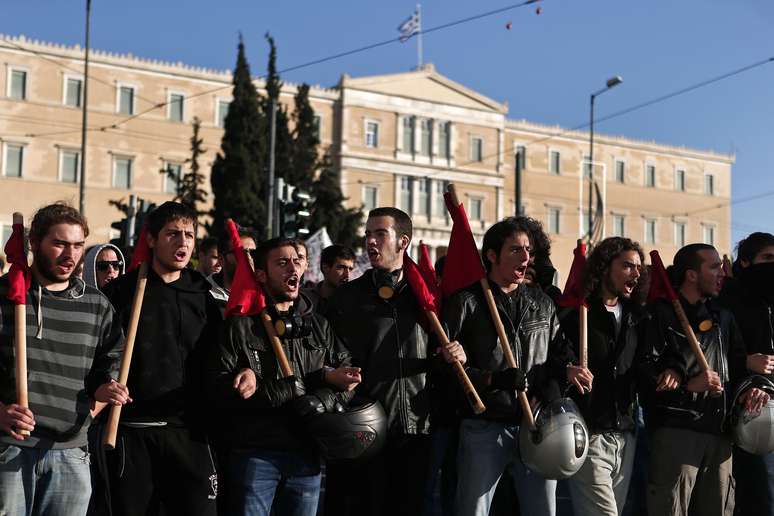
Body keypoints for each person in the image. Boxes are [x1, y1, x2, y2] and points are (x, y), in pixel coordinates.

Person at [209, 237, 360, 515]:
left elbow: (348, 376)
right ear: (261, 275)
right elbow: (217, 388)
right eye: (282, 263)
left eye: (297, 261)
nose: (293, 268)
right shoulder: (240, 326)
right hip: (256, 455)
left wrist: (322, 401)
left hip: (307, 456)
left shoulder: (319, 325)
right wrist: (267, 388)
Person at [0, 202, 128, 516]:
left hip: (71, 454)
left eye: (78, 245)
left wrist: (103, 390)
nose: (70, 255)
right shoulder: (5, 295)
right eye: (59, 244)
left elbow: (110, 364)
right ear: (34, 243)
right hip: (9, 449)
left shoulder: (97, 305)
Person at [330, 207, 453, 516]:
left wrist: (452, 356)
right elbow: (335, 353)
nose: (371, 241)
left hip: (417, 427)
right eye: (368, 234)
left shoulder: (428, 295)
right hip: (366, 427)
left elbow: (440, 354)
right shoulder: (348, 296)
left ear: (403, 242)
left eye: (380, 234)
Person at [103, 201, 222, 516]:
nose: (183, 242)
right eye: (172, 234)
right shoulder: (121, 292)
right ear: (152, 239)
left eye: (189, 235)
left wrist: (244, 373)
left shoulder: (205, 295)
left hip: (190, 432)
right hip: (133, 430)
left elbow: (226, 355)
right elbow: (99, 355)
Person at [440, 216, 563, 516]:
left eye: (528, 250)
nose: (525, 257)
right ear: (492, 256)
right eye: (515, 250)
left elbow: (559, 356)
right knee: (474, 509)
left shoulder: (542, 303)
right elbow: (444, 368)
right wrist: (493, 380)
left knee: (542, 510)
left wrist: (550, 390)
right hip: (485, 426)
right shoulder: (467, 302)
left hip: (534, 427)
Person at [643, 243, 769, 516]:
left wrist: (752, 390)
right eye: (714, 267)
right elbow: (644, 374)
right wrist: (687, 386)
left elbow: (739, 369)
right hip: (678, 431)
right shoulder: (660, 314)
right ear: (691, 274)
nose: (722, 272)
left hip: (720, 434)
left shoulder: (723, 317)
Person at [552, 237, 647, 516]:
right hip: (589, 432)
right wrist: (567, 369)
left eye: (639, 267)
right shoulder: (575, 313)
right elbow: (551, 358)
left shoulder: (637, 317)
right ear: (605, 267)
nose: (636, 274)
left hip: (625, 435)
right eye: (627, 265)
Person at [721, 232, 774, 516]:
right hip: (747, 418)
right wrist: (745, 365)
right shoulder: (728, 303)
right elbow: (711, 355)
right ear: (744, 262)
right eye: (767, 258)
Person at [208, 225, 258, 308]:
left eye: (253, 253)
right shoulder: (204, 295)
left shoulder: (265, 294)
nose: (249, 258)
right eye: (240, 253)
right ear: (221, 259)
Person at [303, 244, 355, 317]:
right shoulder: (304, 298)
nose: (347, 275)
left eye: (350, 269)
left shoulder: (354, 303)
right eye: (341, 268)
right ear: (325, 267)